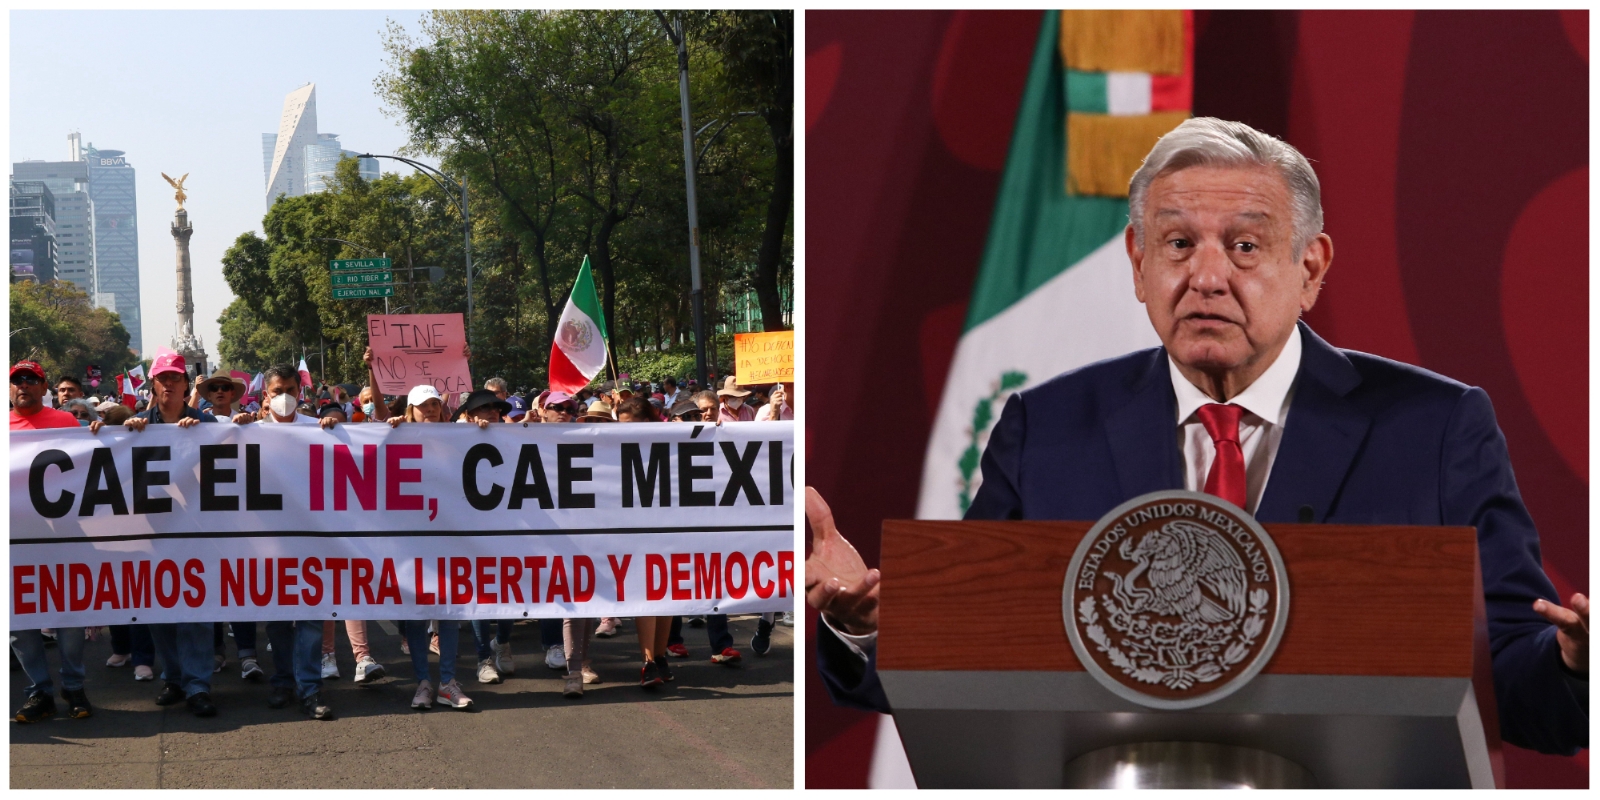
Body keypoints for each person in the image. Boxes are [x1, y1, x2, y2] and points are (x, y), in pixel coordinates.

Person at [808, 117, 1589, 756]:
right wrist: (865, 622)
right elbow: (970, 650)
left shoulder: (1435, 427)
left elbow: (1519, 683)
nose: (1207, 276)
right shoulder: (1046, 428)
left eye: (1245, 246)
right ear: (1139, 263)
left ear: (1310, 267)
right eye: (1178, 245)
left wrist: (1578, 667)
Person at [86, 352, 220, 717]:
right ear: (154, 384)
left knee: (196, 612)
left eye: (176, 377)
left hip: (196, 533)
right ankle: (174, 677)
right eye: (163, 378)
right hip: (151, 534)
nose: (170, 384)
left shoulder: (208, 423)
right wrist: (103, 436)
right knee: (159, 609)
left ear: (184, 383)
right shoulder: (136, 425)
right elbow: (112, 470)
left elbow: (229, 470)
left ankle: (197, 685)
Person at [240, 363, 336, 720]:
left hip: (312, 541)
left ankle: (310, 689)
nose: (283, 398)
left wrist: (337, 432)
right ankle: (283, 681)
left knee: (310, 619)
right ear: (265, 394)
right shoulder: (249, 431)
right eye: (276, 391)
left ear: (301, 393)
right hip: (270, 543)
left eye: (290, 391)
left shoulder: (319, 429)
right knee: (278, 620)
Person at [9, 361, 94, 722]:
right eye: (16, 381)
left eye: (31, 380)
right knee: (18, 623)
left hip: (64, 536)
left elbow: (92, 467)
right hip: (14, 541)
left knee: (70, 617)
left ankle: (73, 685)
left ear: (44, 389)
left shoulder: (65, 423)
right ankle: (39, 690)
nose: (23, 386)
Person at [388, 383, 473, 710]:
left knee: (448, 610)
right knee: (415, 610)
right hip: (410, 539)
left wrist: (483, 431)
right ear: (410, 409)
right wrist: (391, 431)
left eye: (435, 404)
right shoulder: (397, 434)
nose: (430, 409)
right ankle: (424, 681)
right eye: (423, 405)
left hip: (449, 536)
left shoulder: (458, 438)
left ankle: (447, 682)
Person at [615, 397, 676, 689]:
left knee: (668, 593)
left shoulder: (671, 442)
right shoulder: (613, 447)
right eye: (621, 426)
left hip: (669, 524)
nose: (625, 432)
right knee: (646, 593)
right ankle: (649, 660)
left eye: (631, 426)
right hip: (634, 528)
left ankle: (661, 656)